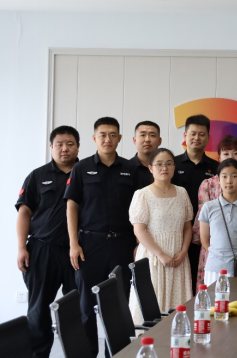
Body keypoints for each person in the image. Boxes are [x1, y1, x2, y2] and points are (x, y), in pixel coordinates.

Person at [64, 117, 139, 357]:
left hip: (122, 244)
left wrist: (137, 243)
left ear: (119, 138)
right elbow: (72, 206)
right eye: (103, 135)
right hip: (89, 245)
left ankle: (115, 354)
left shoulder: (130, 169)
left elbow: (140, 209)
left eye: (113, 135)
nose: (108, 139)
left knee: (118, 305)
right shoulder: (81, 168)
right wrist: (73, 244)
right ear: (94, 138)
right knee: (86, 306)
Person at [16, 126, 79, 358]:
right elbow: (24, 213)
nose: (65, 149)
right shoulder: (37, 175)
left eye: (70, 144)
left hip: (78, 252)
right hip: (42, 250)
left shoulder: (86, 173)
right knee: (38, 310)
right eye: (59, 144)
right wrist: (21, 247)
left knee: (76, 309)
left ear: (78, 147)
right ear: (51, 147)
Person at [128, 148, 193, 324]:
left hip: (178, 258)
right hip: (153, 258)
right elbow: (139, 231)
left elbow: (187, 227)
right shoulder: (142, 195)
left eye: (169, 164)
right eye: (159, 164)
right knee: (151, 305)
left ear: (174, 167)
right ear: (150, 168)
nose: (164, 168)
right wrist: (161, 254)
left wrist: (184, 251)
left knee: (177, 309)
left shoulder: (182, 193)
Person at [192, 135, 237, 287]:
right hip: (215, 264)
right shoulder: (209, 203)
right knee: (214, 299)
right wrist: (217, 254)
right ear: (218, 179)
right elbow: (205, 239)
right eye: (224, 177)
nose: (229, 181)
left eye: (234, 176)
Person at [172, 114, 218, 293]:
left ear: (208, 138)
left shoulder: (216, 167)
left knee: (202, 283)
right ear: (185, 136)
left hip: (206, 235)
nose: (196, 138)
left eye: (201, 134)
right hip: (178, 232)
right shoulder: (173, 164)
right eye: (193, 134)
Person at [130, 121, 161, 189]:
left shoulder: (166, 168)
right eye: (143, 135)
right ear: (134, 140)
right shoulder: (126, 168)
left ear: (159, 141)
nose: (147, 140)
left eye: (152, 135)